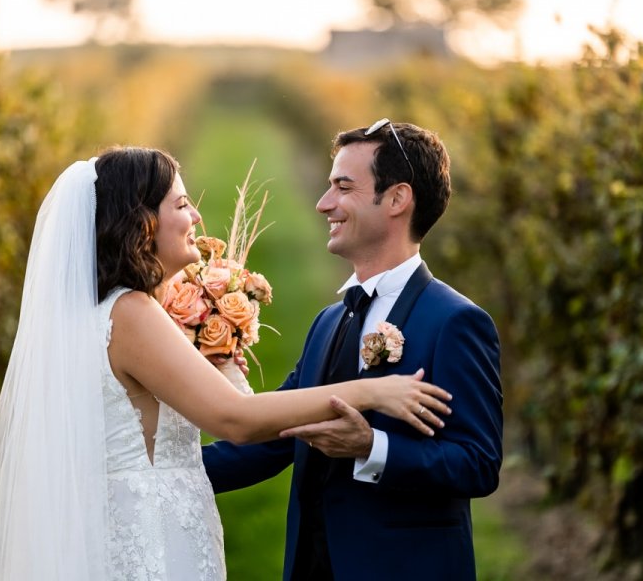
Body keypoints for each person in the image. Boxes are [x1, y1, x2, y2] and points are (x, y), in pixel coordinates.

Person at [0, 146, 454, 580]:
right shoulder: (130, 313)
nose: (196, 216)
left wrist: (218, 352)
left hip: (156, 528)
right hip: (147, 542)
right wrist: (372, 391)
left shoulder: (115, 314)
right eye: (180, 204)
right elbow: (235, 420)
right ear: (142, 222)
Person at [202, 120, 503, 580]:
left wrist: (372, 447)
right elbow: (275, 436)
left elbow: (478, 464)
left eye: (343, 187)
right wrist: (158, 478)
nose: (324, 204)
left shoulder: (456, 322)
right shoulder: (328, 322)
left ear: (398, 199)